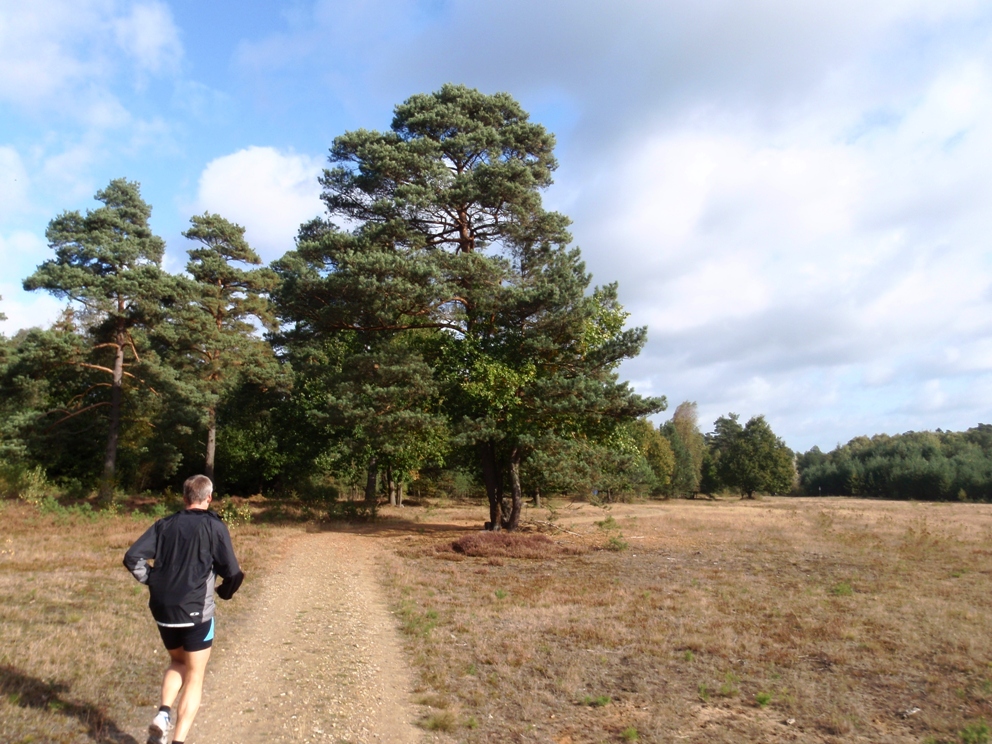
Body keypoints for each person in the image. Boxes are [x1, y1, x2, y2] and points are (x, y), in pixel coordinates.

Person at [124, 474, 244, 744]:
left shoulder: (164, 524)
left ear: (184, 497)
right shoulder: (214, 527)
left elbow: (132, 557)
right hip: (196, 614)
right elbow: (233, 573)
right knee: (195, 674)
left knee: (177, 661)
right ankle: (177, 740)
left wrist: (152, 579)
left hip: (163, 611)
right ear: (209, 498)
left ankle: (163, 714)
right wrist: (224, 593)